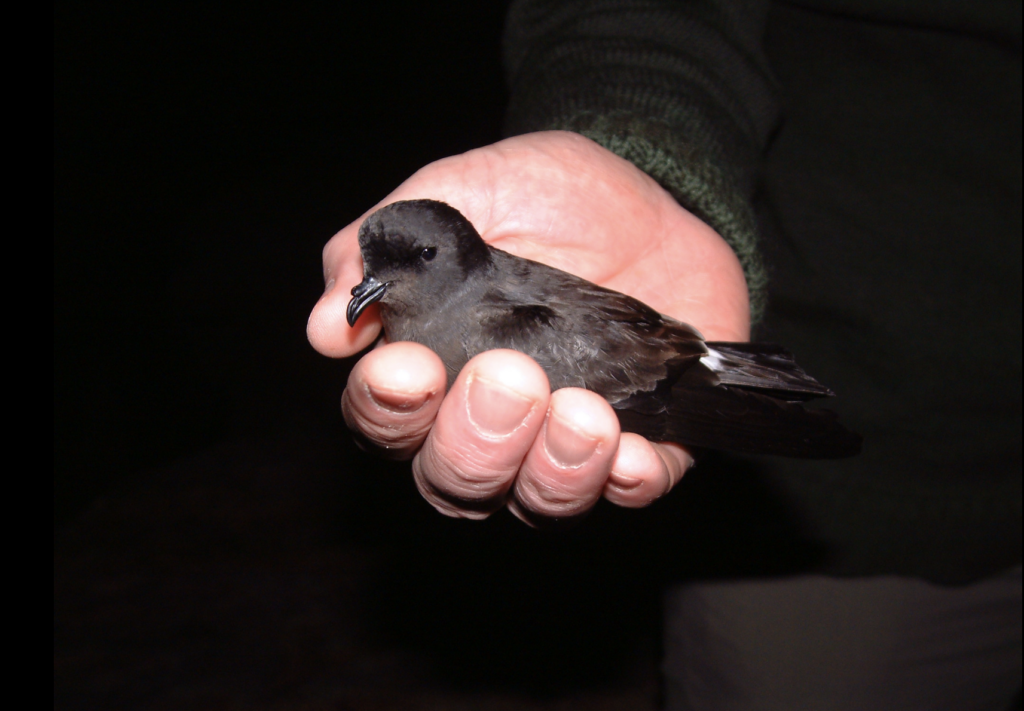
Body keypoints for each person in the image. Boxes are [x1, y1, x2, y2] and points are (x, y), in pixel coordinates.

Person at [308, 1, 1021, 708]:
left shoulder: (498, 319)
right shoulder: (424, 309)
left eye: (419, 258)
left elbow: (640, 373)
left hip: (700, 373)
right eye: (376, 266)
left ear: (461, 253)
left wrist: (713, 370)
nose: (376, 284)